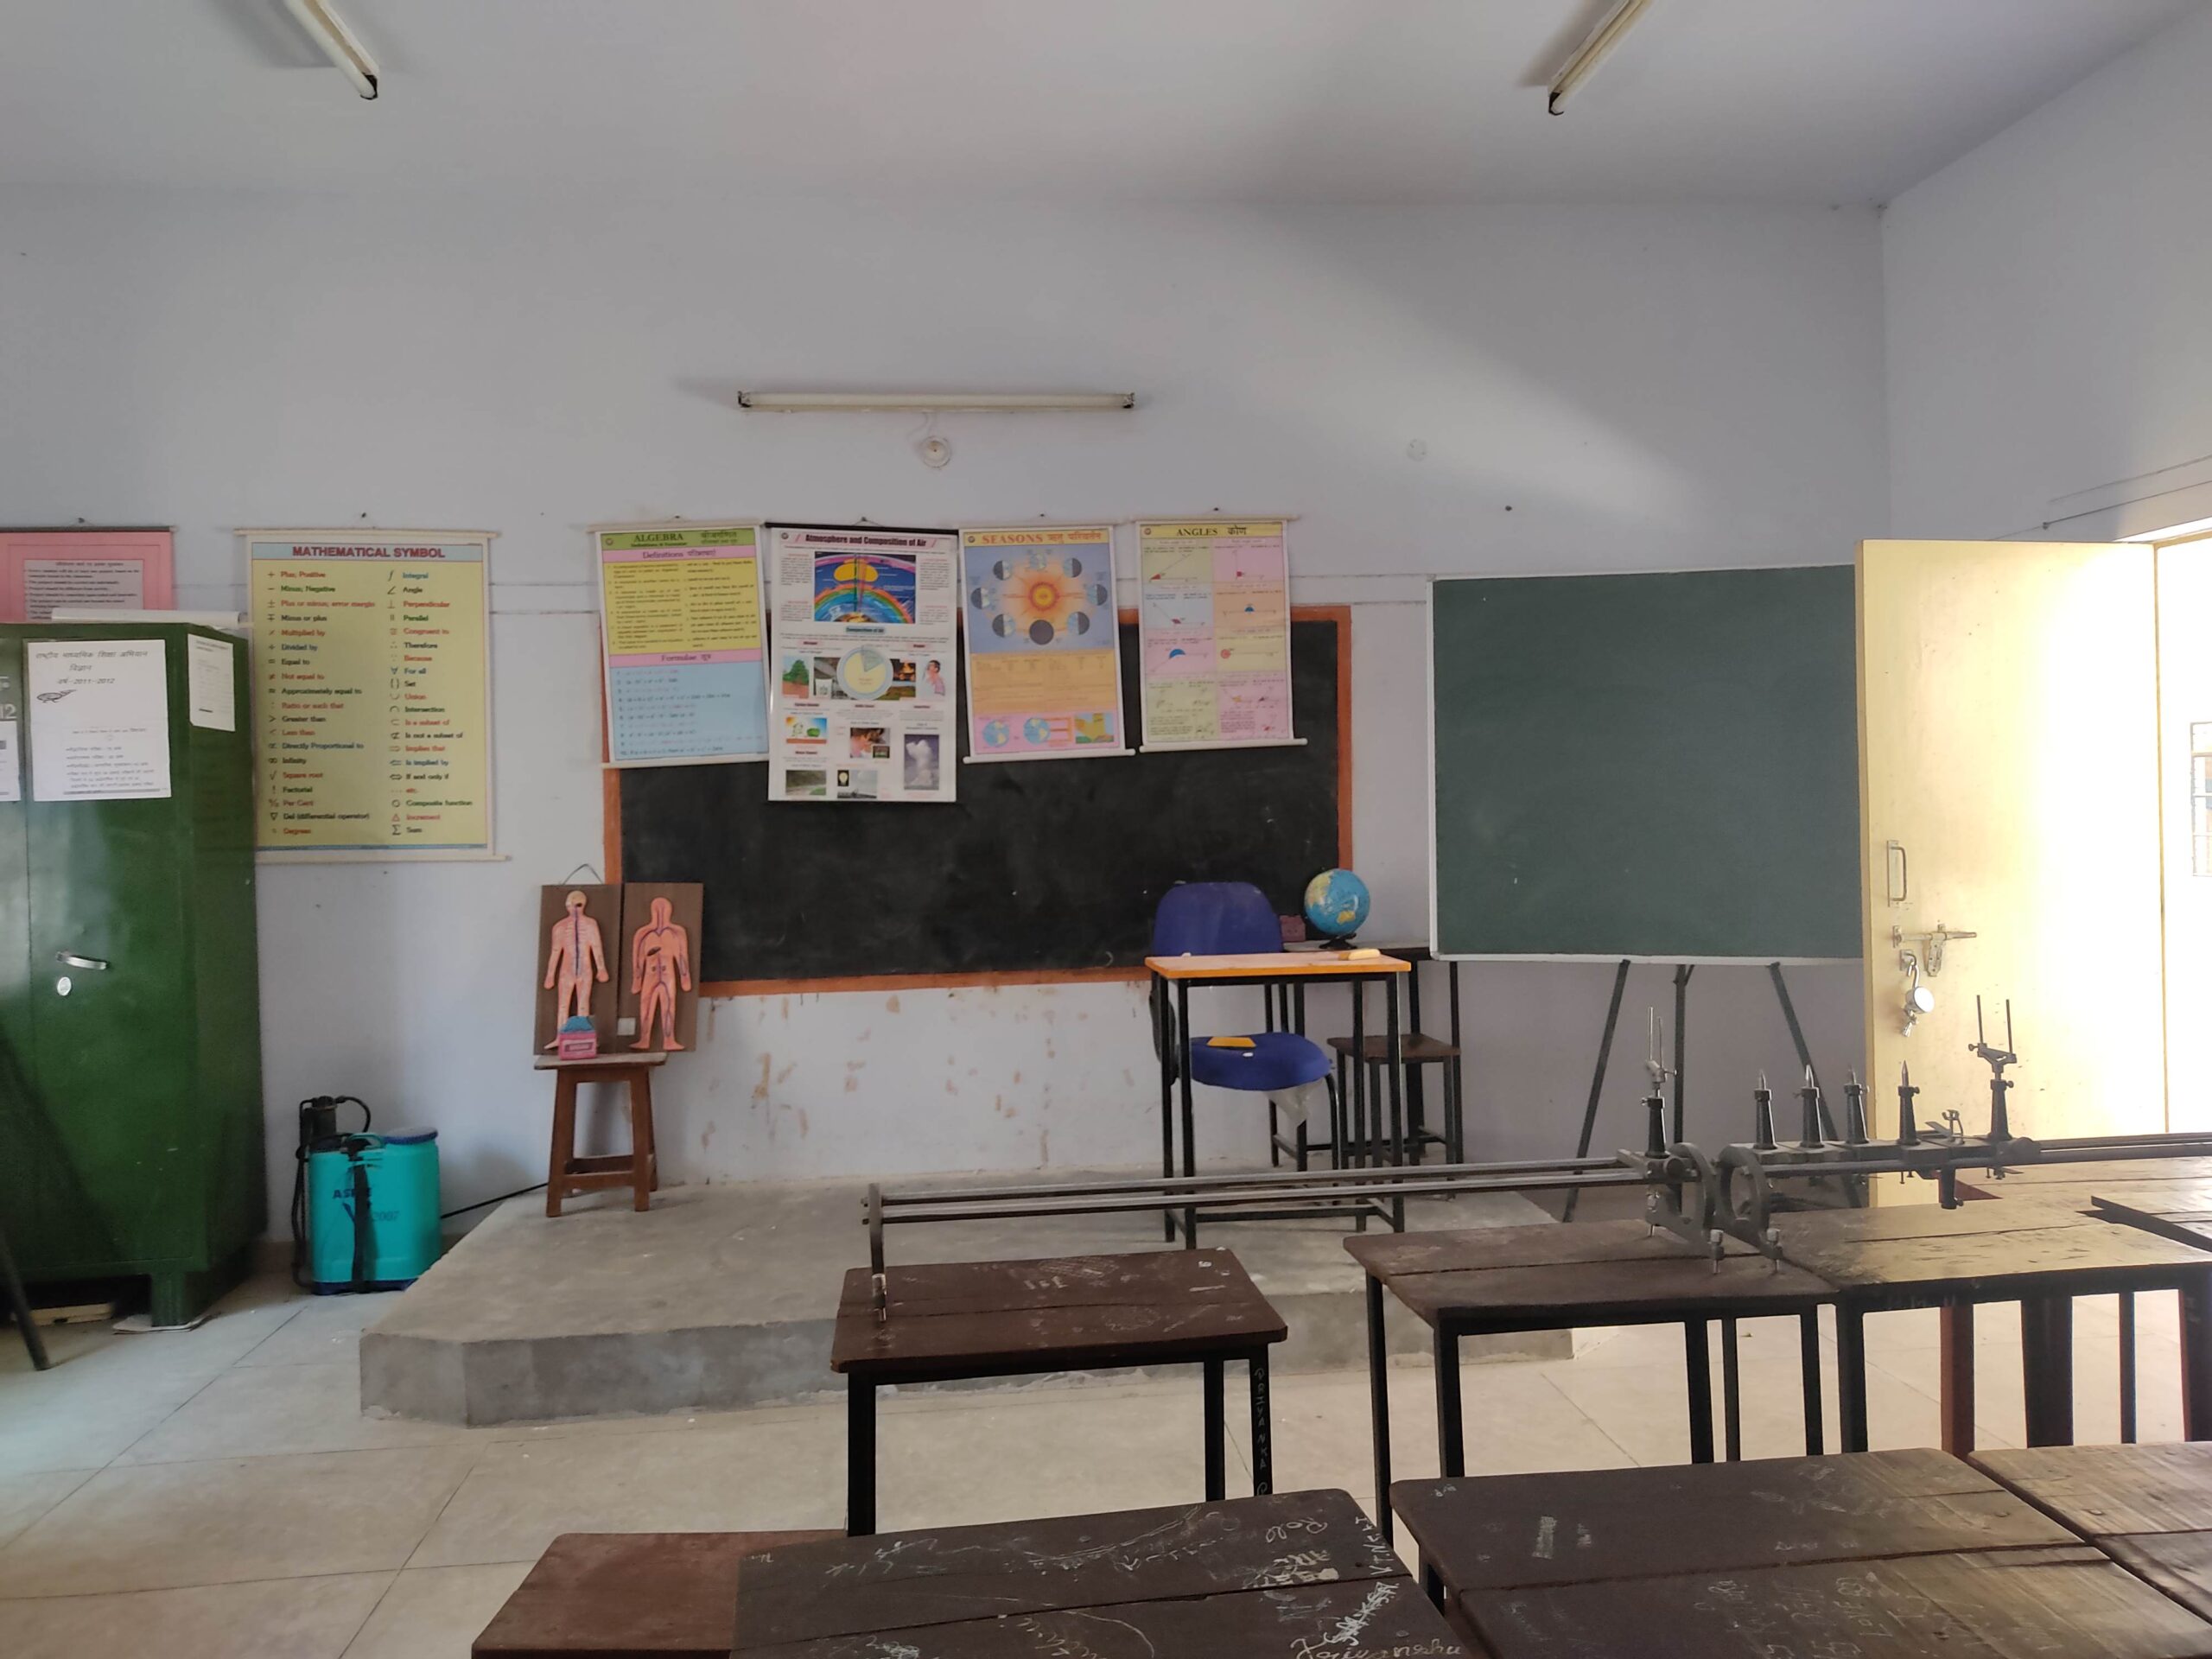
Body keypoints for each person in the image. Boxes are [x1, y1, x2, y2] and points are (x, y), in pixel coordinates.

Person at [543, 891, 607, 1048]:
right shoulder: (559, 927)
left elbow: (596, 948)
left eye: (578, 905)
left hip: (585, 970)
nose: (574, 909)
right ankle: (560, 1036)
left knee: (583, 1004)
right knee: (563, 1004)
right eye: (570, 906)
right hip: (566, 971)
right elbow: (555, 952)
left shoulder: (591, 925)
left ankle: (583, 1036)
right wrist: (550, 975)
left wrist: (601, 969)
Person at [630, 895, 693, 1051]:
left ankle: (669, 1040)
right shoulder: (643, 934)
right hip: (650, 976)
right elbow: (637, 960)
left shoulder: (676, 933)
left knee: (669, 1005)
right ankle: (644, 1039)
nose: (660, 912)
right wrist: (637, 981)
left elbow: (682, 958)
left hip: (668, 975)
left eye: (664, 909)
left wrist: (685, 979)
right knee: (646, 1005)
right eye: (657, 909)